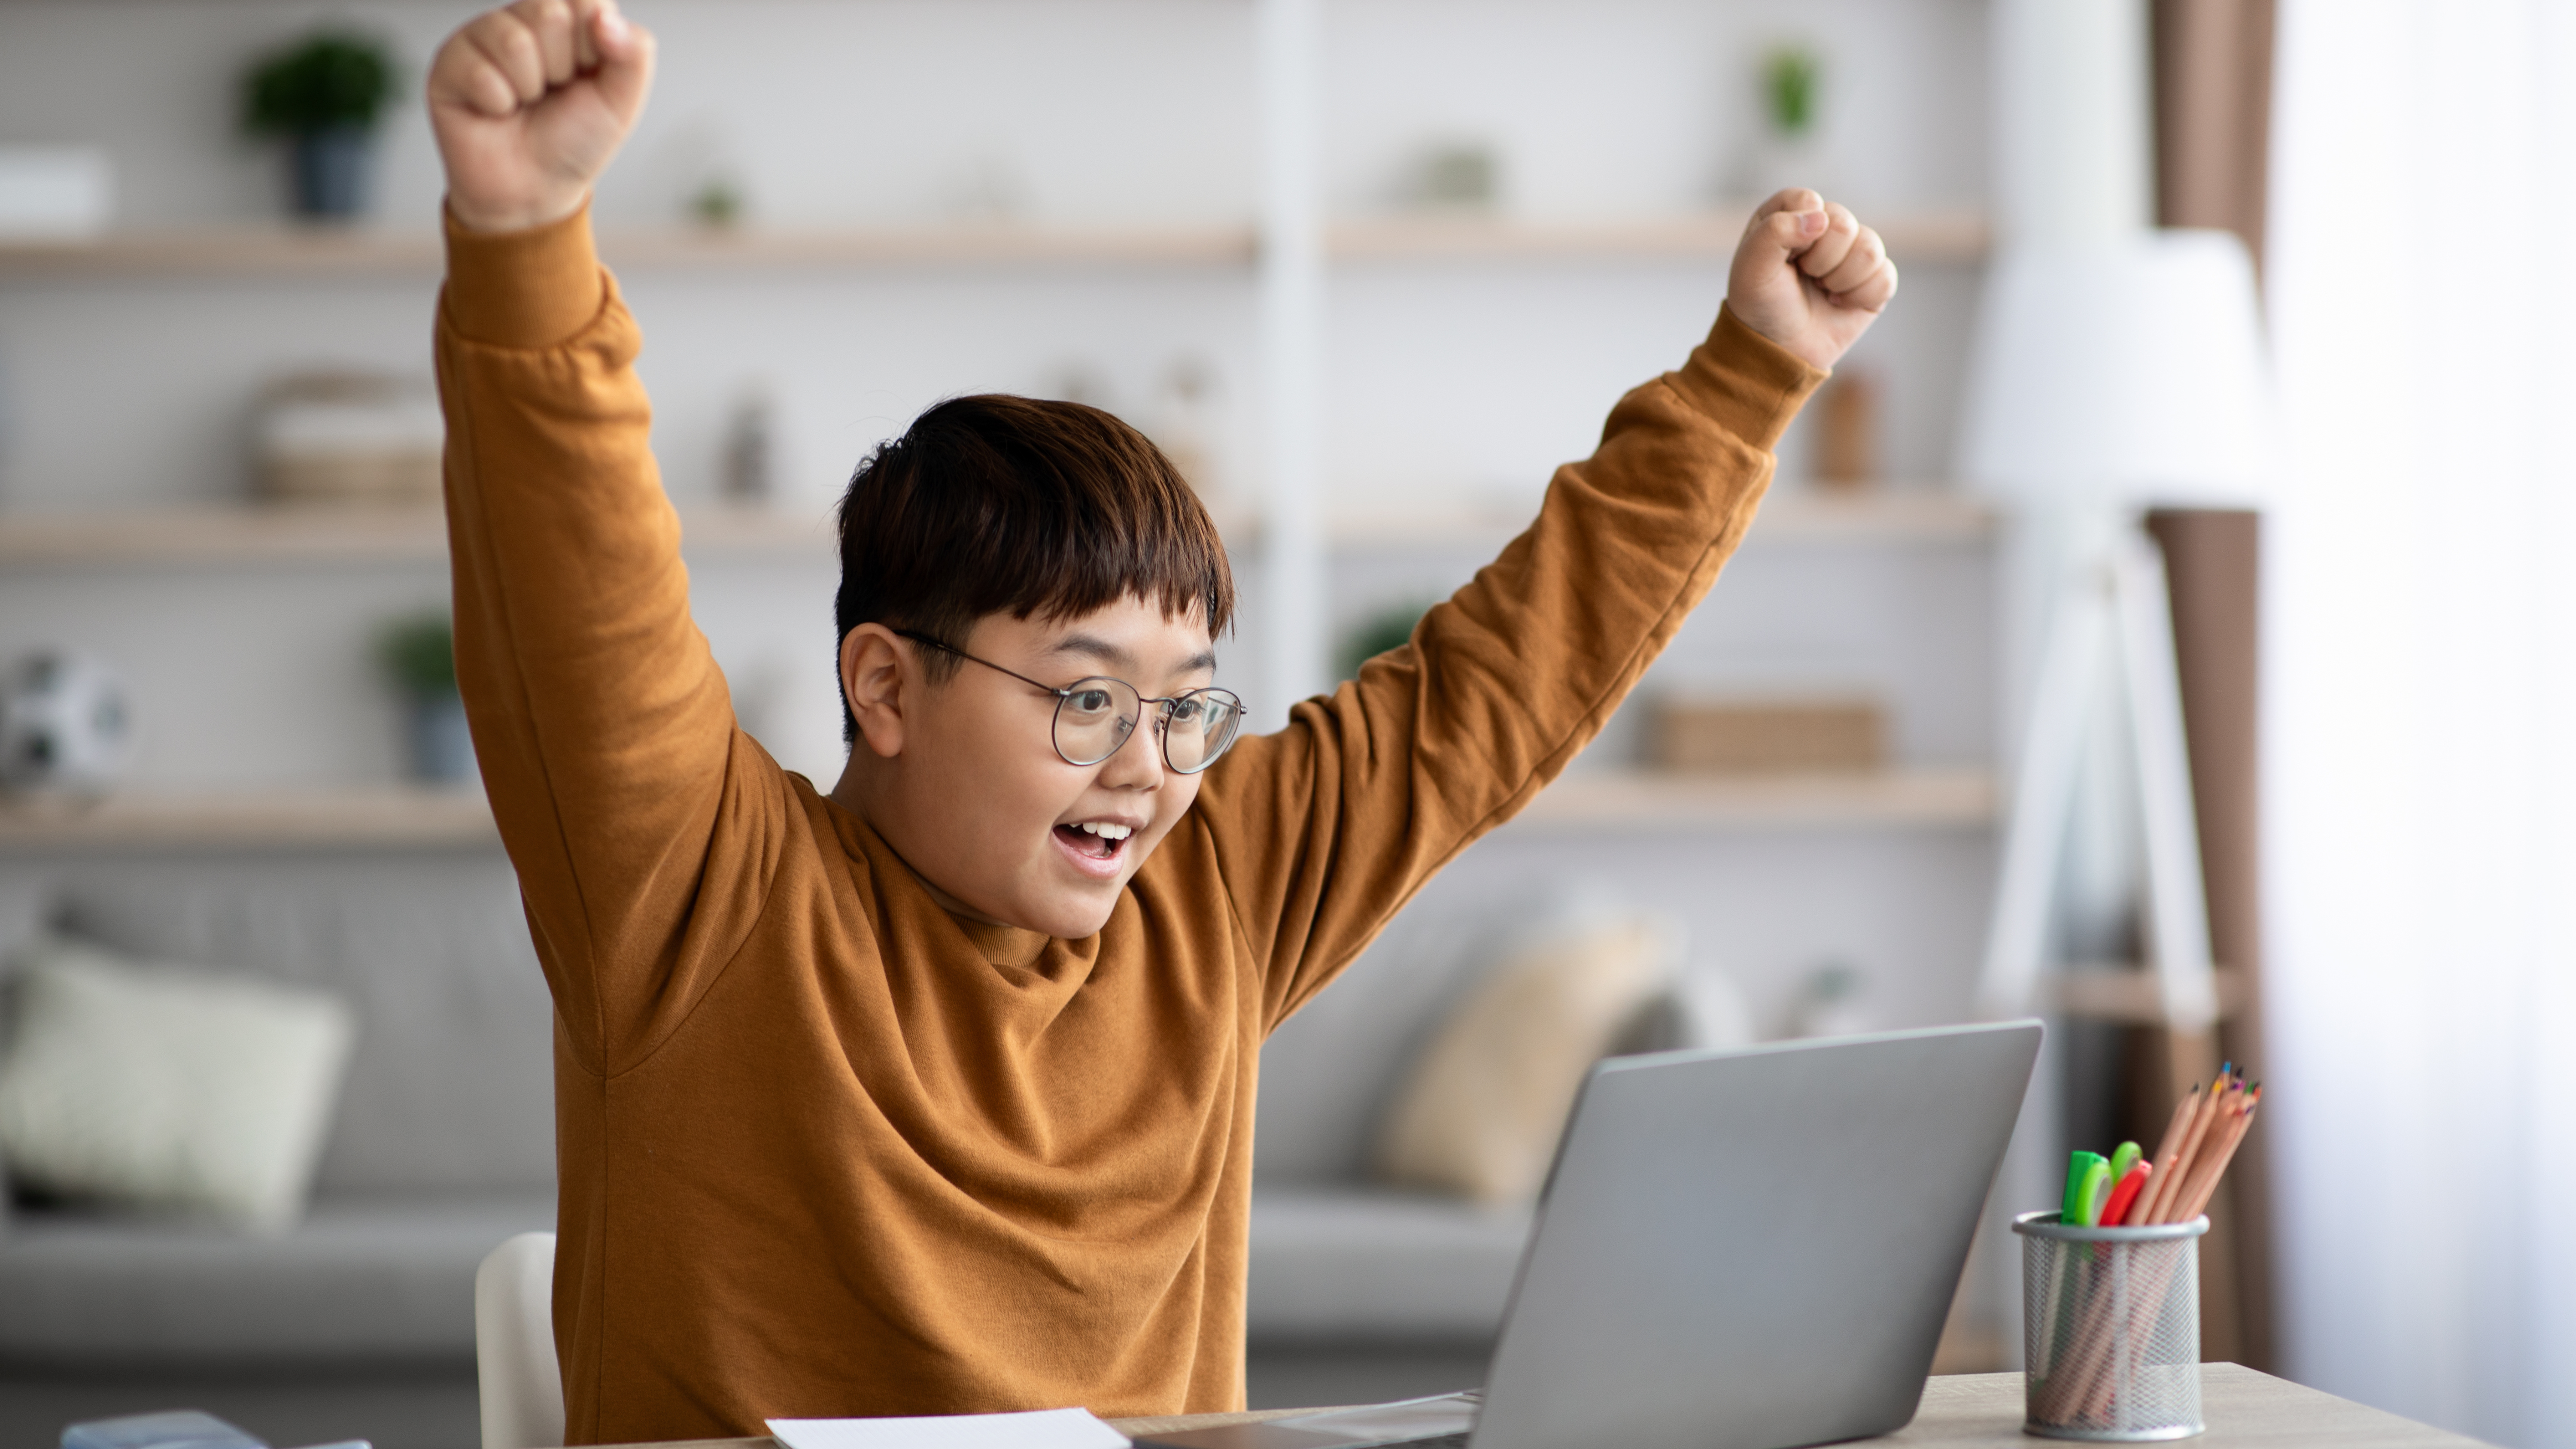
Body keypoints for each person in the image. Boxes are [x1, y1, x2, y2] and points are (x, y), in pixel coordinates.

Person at [425, 0, 1896, 1441]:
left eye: (1189, 706)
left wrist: (1752, 374)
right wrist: (527, 244)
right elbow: (584, 608)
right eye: (1085, 696)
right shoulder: (709, 899)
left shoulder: (1213, 893)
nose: (1149, 763)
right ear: (886, 688)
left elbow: (1500, 684)